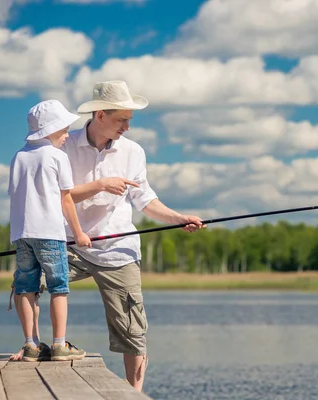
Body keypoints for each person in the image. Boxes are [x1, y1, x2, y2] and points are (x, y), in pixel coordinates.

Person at [12, 80, 206, 391]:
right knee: (26, 283)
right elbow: (54, 196)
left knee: (133, 330)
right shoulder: (63, 145)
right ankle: (31, 345)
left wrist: (179, 218)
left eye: (130, 120)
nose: (128, 127)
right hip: (69, 243)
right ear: (100, 115)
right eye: (122, 119)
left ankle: (134, 394)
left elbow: (146, 200)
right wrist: (101, 184)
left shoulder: (133, 152)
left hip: (118, 249)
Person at [8, 99, 92, 362]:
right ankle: (59, 345)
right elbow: (65, 199)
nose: (67, 135)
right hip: (50, 233)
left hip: (22, 234)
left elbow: (14, 194)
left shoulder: (19, 156)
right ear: (50, 130)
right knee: (59, 287)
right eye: (64, 130)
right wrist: (79, 233)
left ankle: (30, 345)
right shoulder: (57, 156)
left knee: (25, 287)